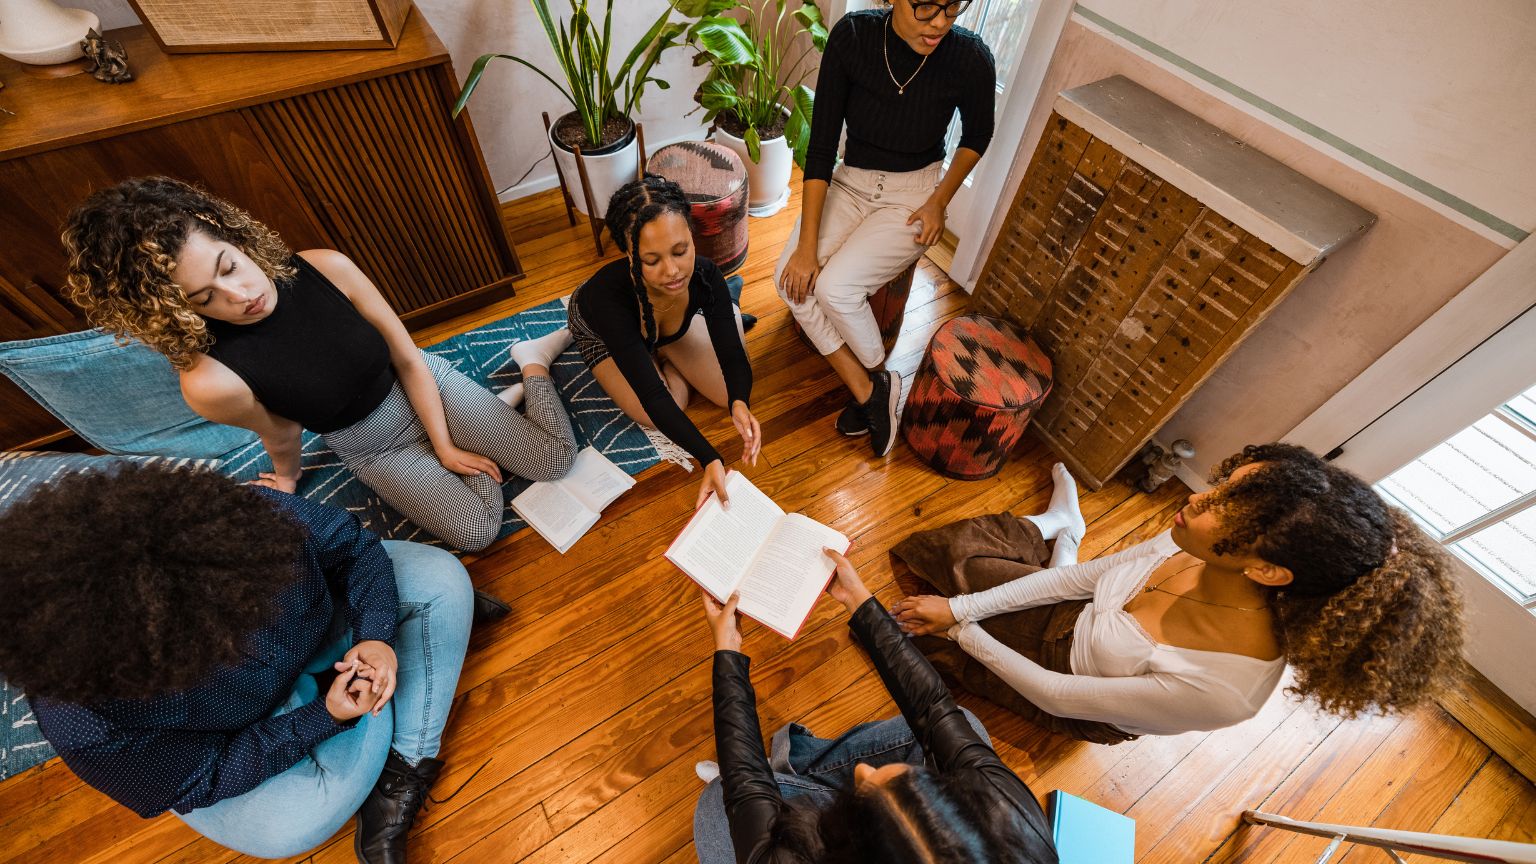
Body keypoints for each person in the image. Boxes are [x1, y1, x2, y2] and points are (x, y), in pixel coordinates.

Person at [61, 176, 578, 557]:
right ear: (173, 310)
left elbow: (405, 356)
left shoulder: (325, 267)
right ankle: (486, 427)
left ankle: (530, 363)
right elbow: (284, 433)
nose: (241, 295)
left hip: (422, 385)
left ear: (233, 237)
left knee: (554, 461)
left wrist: (444, 446)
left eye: (230, 266)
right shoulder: (210, 383)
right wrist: (286, 480)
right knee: (476, 533)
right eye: (204, 298)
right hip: (373, 445)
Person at [0, 463, 473, 862]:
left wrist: (376, 638)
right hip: (245, 735)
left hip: (330, 635)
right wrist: (325, 716)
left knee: (440, 577)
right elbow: (205, 778)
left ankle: (403, 761)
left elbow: (353, 548)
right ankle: (420, 660)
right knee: (288, 830)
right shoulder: (85, 721)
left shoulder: (238, 514)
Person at [890, 444, 1467, 743]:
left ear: (1266, 571)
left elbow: (1057, 696)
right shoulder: (1186, 542)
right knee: (952, 554)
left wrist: (961, 629)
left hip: (1070, 679)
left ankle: (1060, 531)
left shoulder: (1227, 691)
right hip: (1079, 613)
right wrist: (962, 610)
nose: (1197, 499)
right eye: (1223, 486)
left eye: (1224, 508)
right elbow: (1078, 583)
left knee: (925, 644)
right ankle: (1061, 528)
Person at [691, 550, 1058, 863]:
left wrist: (728, 651)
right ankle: (789, 775)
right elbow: (934, 708)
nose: (864, 770)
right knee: (966, 727)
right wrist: (861, 602)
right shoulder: (1013, 820)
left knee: (716, 806)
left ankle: (785, 779)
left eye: (862, 797)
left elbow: (744, 789)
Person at [776, 0, 995, 457]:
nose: (940, 24)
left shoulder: (970, 57)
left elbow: (978, 134)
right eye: (927, 8)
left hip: (913, 195)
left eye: (953, 10)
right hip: (851, 180)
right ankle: (874, 386)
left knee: (836, 289)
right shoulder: (853, 37)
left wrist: (939, 202)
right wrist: (806, 248)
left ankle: (873, 382)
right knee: (789, 281)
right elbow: (820, 147)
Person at [568, 176, 761, 509]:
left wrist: (740, 402)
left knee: (726, 393)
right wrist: (709, 457)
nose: (672, 271)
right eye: (652, 260)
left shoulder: (704, 273)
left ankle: (706, 320)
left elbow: (731, 355)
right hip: (600, 330)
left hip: (667, 327)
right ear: (629, 255)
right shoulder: (607, 300)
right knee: (667, 406)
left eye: (680, 251)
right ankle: (665, 349)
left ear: (691, 235)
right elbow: (653, 395)